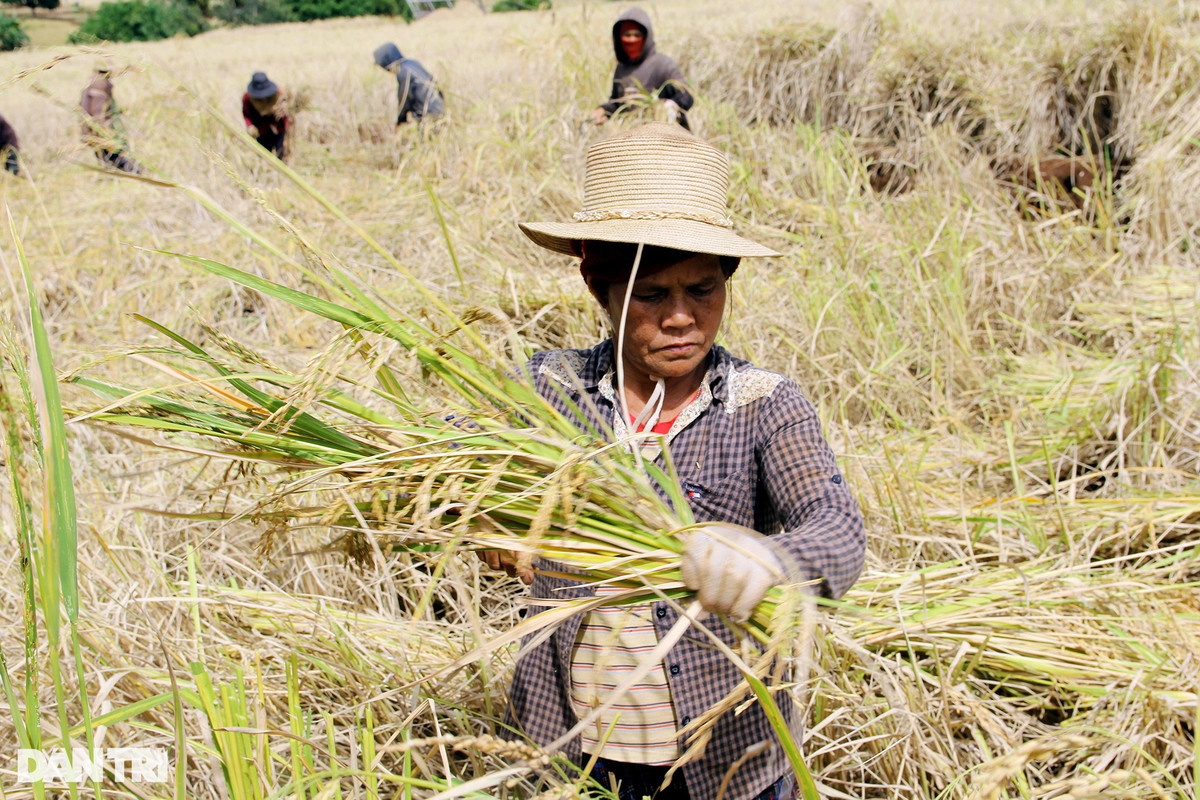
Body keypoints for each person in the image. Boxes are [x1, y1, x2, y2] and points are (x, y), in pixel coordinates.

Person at [493, 123, 866, 800]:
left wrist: (769, 560)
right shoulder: (550, 391)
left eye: (702, 290)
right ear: (594, 282)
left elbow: (836, 526)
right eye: (652, 295)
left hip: (725, 760)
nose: (681, 319)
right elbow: (465, 466)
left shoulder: (762, 405)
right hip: (576, 753)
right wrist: (491, 522)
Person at [590, 7, 694, 130]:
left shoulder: (662, 64)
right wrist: (604, 111)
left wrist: (670, 107)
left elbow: (687, 96)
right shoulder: (622, 69)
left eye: (636, 35)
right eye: (627, 35)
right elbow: (618, 103)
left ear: (646, 37)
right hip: (637, 138)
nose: (631, 40)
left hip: (669, 138)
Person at [80, 63, 141, 174]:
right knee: (117, 153)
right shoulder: (101, 83)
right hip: (101, 128)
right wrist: (105, 130)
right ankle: (133, 172)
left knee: (105, 156)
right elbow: (98, 110)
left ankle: (113, 173)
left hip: (90, 127)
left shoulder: (91, 80)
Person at [372, 42, 445, 125]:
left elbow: (404, 99)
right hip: (440, 109)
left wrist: (400, 121)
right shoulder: (412, 63)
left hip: (429, 115)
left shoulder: (403, 72)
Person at [242, 72, 291, 160]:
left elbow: (286, 116)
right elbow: (246, 114)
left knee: (281, 153)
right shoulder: (247, 98)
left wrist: (279, 111)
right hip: (261, 129)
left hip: (278, 127)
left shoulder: (279, 94)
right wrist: (250, 126)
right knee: (264, 154)